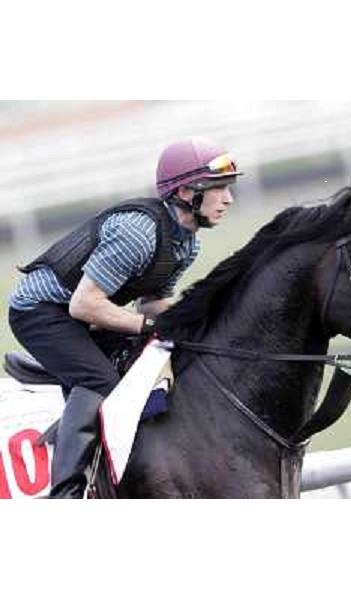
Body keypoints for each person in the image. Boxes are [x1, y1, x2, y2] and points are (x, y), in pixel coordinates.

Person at [8, 137, 243, 499]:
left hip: (83, 313)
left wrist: (189, 328)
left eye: (229, 188)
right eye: (217, 189)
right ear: (184, 191)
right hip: (41, 312)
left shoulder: (187, 242)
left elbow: (152, 305)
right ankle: (66, 492)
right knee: (99, 379)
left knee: (148, 358)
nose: (228, 199)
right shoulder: (139, 232)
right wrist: (152, 327)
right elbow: (84, 306)